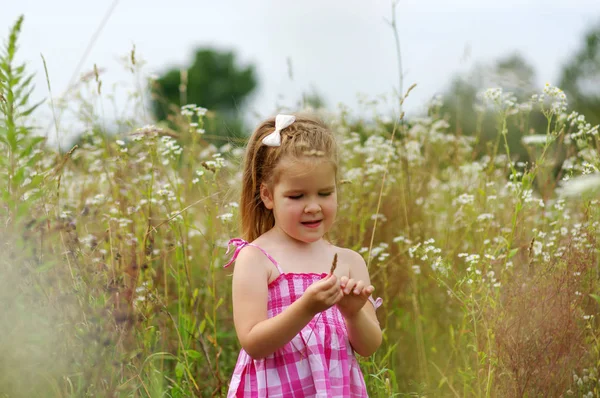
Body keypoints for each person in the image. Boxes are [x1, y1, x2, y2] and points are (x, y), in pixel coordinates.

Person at [224, 114, 383, 397]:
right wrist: (306, 307)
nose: (313, 207)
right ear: (268, 196)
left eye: (325, 193)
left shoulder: (349, 262)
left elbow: (370, 346)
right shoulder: (256, 257)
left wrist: (352, 312)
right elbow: (253, 343)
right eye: (297, 197)